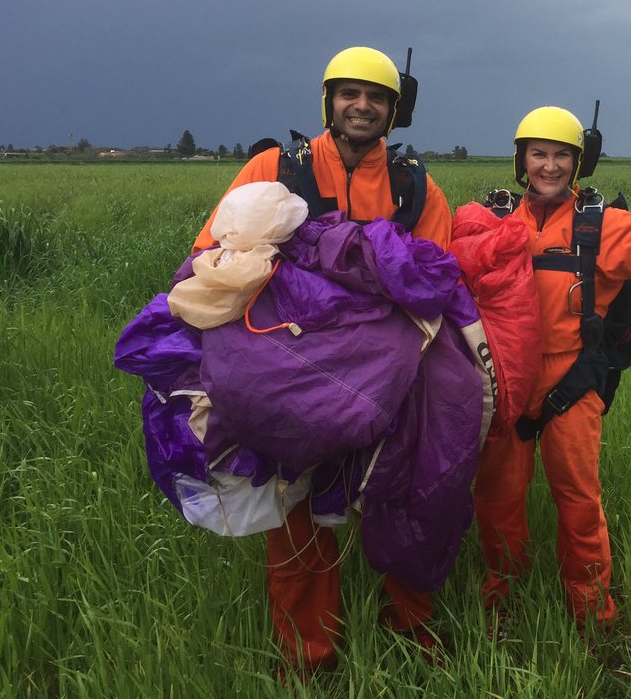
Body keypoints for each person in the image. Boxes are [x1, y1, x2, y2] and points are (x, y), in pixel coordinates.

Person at [192, 46, 453, 674]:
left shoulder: (416, 186)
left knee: (402, 496)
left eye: (376, 97)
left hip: (385, 376)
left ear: (394, 110)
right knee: (295, 510)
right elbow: (212, 251)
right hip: (290, 367)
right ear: (328, 100)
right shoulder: (274, 168)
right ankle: (308, 656)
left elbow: (440, 280)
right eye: (349, 93)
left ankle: (410, 635)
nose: (361, 106)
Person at [472, 106, 631, 636]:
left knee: (578, 501)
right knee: (497, 498)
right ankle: (501, 600)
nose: (550, 166)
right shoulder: (493, 217)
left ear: (578, 163)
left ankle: (591, 612)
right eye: (539, 154)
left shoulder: (599, 224)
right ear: (521, 159)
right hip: (506, 379)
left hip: (570, 381)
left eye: (562, 155)